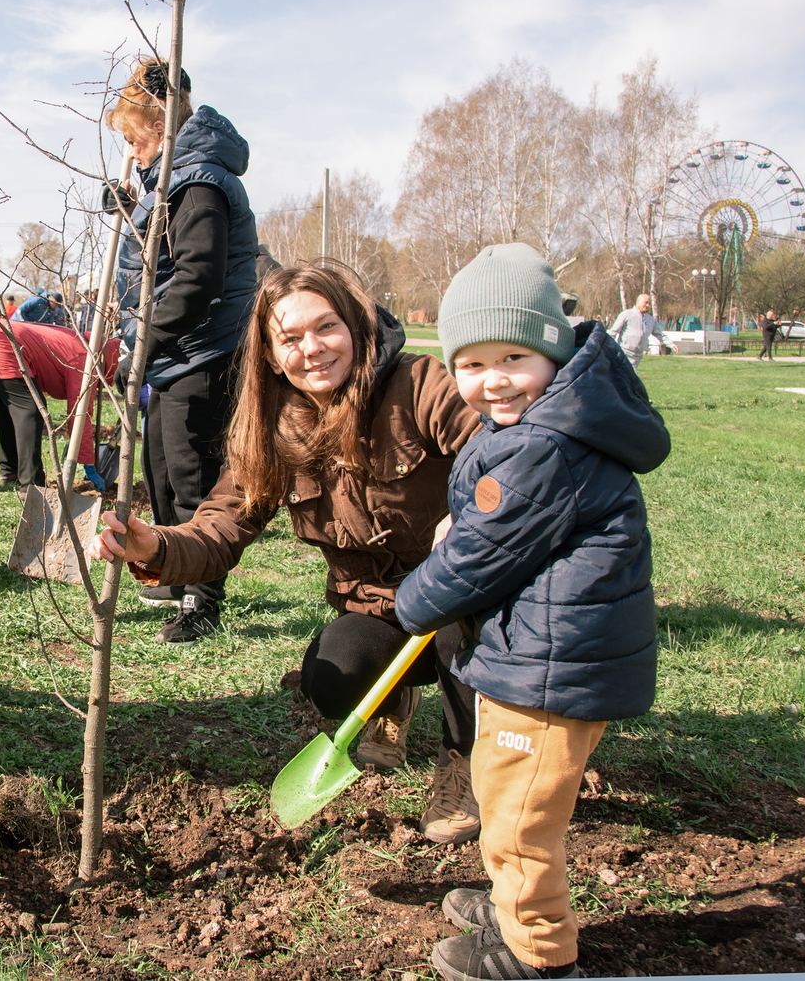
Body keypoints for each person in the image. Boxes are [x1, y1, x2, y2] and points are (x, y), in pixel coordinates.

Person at [92, 264, 486, 841]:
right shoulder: (275, 429)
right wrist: (158, 546)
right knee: (332, 675)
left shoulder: (420, 385)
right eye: (290, 338)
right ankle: (392, 700)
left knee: (461, 628)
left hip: (462, 595)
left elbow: (501, 445)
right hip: (382, 608)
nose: (312, 349)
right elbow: (222, 525)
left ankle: (466, 764)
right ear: (272, 356)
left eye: (325, 327)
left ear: (354, 325)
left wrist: (473, 509)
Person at [395, 244, 669, 981]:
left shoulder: (544, 447)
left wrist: (415, 597)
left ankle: (538, 955)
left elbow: (483, 558)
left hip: (552, 669)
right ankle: (513, 904)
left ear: (553, 350)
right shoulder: (541, 428)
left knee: (518, 820)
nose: (494, 380)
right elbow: (501, 527)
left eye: (515, 355)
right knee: (501, 790)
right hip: (539, 653)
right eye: (473, 364)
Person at [109, 58, 258, 643]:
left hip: (203, 349)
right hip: (178, 351)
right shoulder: (174, 178)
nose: (133, 150)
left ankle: (204, 599)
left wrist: (144, 343)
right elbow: (161, 256)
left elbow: (197, 279)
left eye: (135, 138)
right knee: (164, 468)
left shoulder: (199, 181)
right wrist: (130, 207)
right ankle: (175, 570)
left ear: (159, 123)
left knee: (193, 473)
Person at [0, 318, 119, 488]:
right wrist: (89, 464)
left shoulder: (77, 340)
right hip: (1, 343)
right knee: (30, 411)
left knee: (8, 409)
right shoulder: (87, 360)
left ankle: (10, 471)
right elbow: (79, 414)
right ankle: (32, 484)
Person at [606, 293, 672, 367]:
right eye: (645, 302)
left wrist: (671, 344)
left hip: (638, 355)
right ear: (638, 302)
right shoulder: (627, 315)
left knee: (624, 377)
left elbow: (659, 334)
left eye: (649, 303)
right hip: (625, 353)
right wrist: (605, 345)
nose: (647, 305)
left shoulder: (651, 320)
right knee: (630, 376)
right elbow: (613, 332)